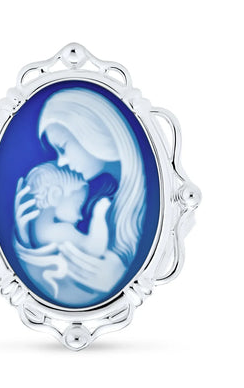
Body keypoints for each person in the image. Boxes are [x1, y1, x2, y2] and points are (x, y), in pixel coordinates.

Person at [14, 88, 146, 297]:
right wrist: (24, 237)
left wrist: (120, 276)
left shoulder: (141, 200)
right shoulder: (87, 188)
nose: (61, 162)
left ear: (93, 134)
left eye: (63, 147)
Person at [15, 162, 111, 297]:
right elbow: (94, 248)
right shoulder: (60, 231)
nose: (80, 216)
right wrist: (99, 215)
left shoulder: (36, 230)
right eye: (78, 204)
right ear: (55, 195)